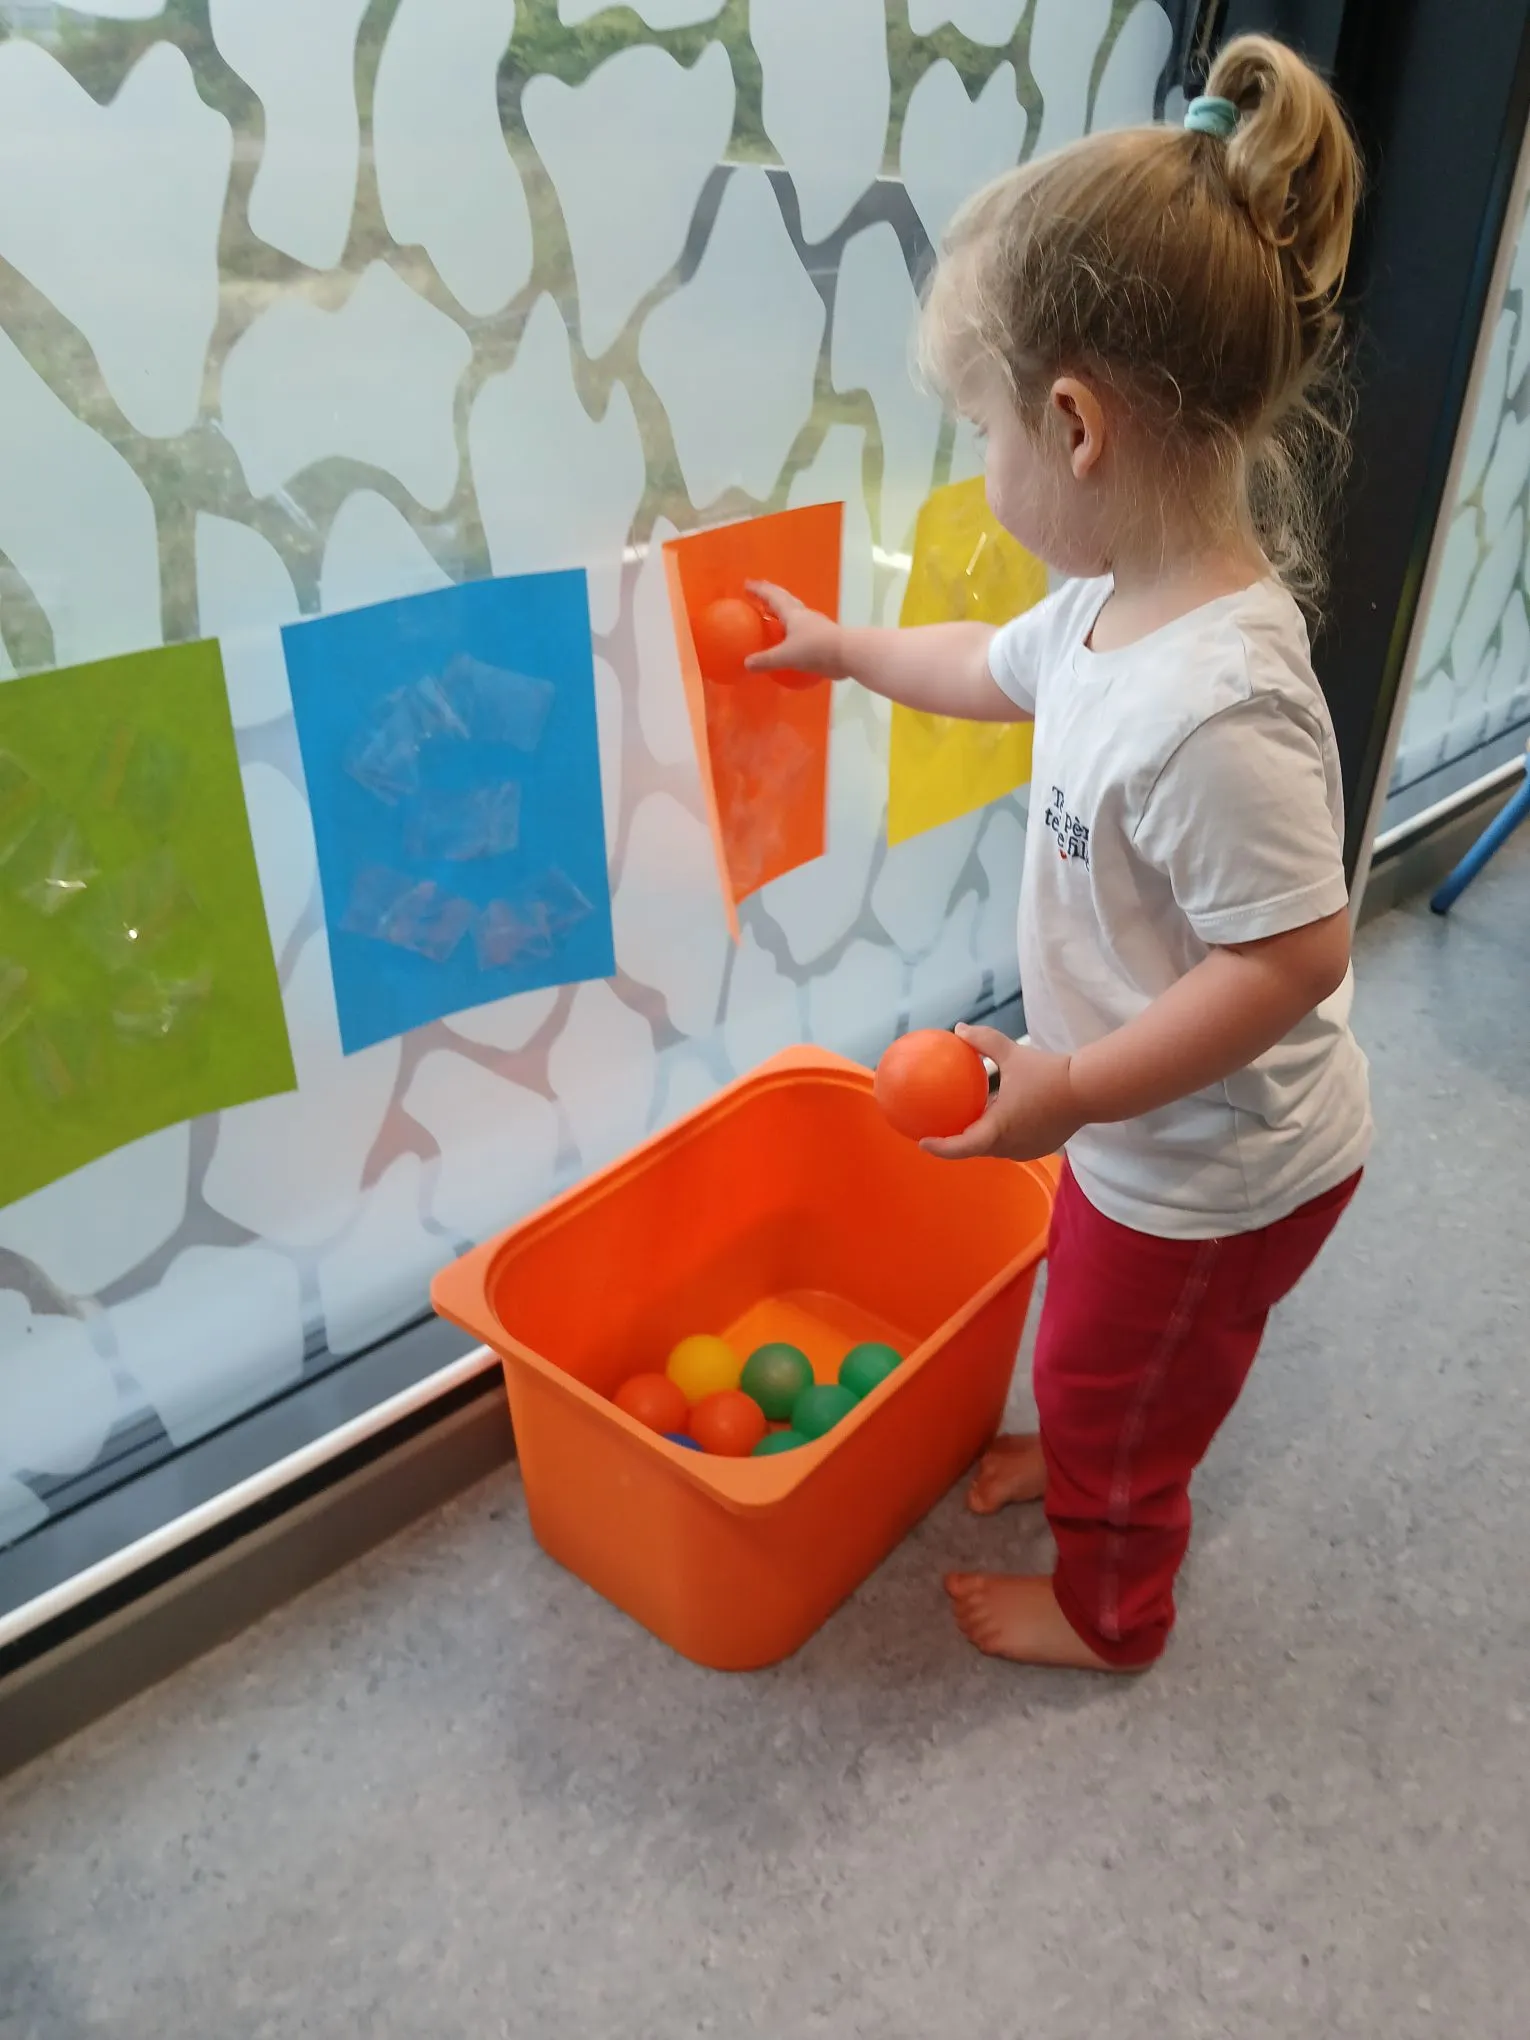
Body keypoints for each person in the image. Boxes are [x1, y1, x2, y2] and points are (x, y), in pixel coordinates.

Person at [747, 34, 1373, 1673]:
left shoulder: (1214, 706)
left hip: (1212, 1170)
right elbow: (985, 665)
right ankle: (1095, 1431)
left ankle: (1111, 1608)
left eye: (982, 429)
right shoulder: (1107, 602)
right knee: (1102, 1353)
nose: (979, 464)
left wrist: (1079, 1089)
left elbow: (1294, 956)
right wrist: (843, 649)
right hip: (1139, 1131)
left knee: (1119, 1375)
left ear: (1076, 427)